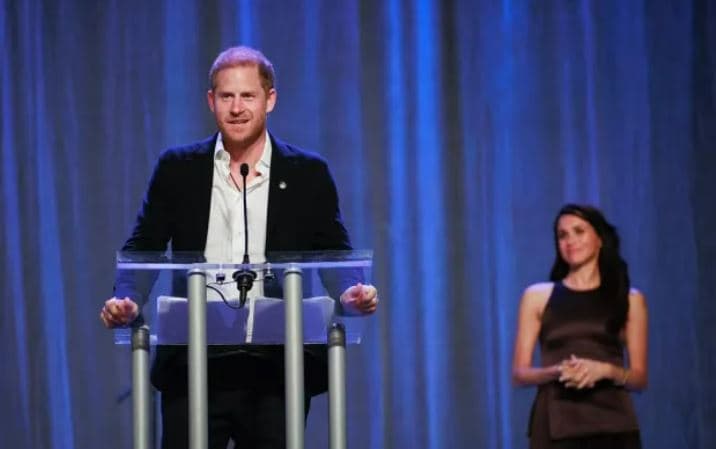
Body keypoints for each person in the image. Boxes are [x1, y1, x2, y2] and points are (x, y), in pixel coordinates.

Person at [99, 46, 378, 449]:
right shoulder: (178, 169)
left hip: (276, 367)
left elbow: (334, 251)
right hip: (194, 362)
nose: (236, 107)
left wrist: (352, 291)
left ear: (270, 99)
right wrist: (125, 298)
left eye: (248, 95)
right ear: (211, 101)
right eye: (226, 96)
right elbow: (144, 245)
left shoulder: (307, 174)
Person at [511, 204, 648, 449]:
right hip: (555, 425)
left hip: (614, 426)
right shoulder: (537, 296)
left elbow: (638, 378)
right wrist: (558, 370)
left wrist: (604, 370)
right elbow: (520, 374)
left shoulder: (629, 299)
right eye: (562, 235)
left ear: (600, 239)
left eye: (579, 231)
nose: (570, 240)